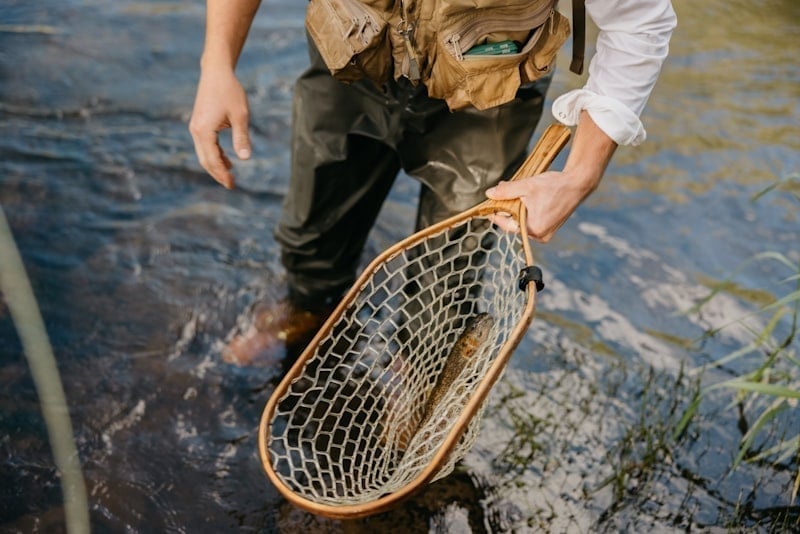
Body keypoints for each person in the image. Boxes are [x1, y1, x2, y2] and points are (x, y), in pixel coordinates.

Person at [189, 0, 677, 365]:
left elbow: (638, 20)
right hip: (351, 65)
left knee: (447, 285)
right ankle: (303, 310)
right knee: (312, 233)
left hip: (486, 96)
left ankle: (415, 369)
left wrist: (580, 176)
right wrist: (217, 66)